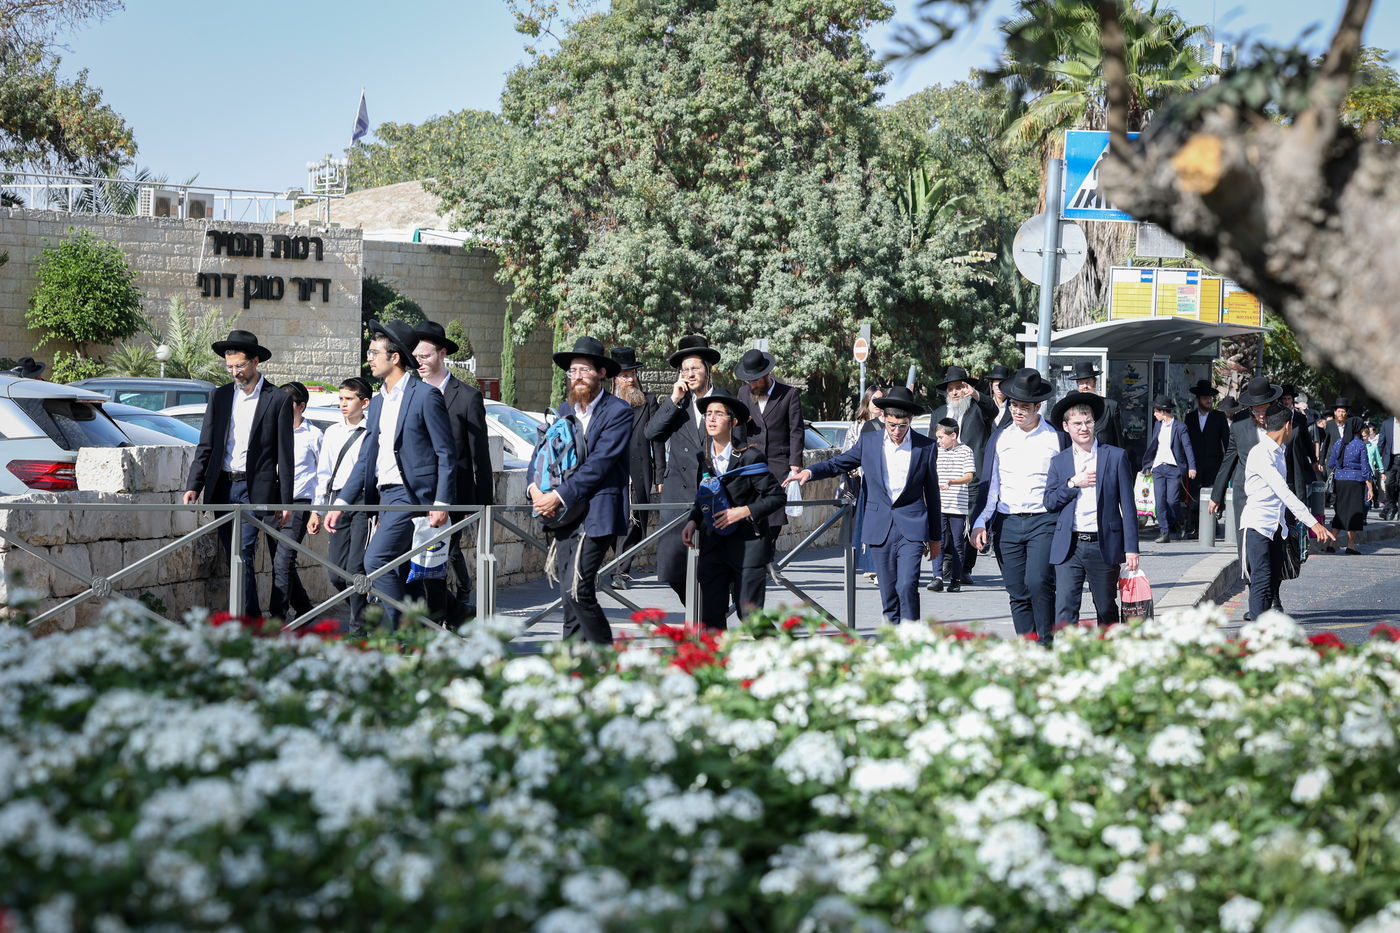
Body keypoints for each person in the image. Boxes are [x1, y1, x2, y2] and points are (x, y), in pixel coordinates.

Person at [326, 320, 456, 631]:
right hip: (383, 497)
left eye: (374, 353)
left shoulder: (425, 396)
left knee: (375, 561)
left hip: (411, 496)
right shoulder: (379, 402)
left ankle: (399, 634)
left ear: (394, 357)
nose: (369, 358)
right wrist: (341, 502)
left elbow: (445, 453)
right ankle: (431, 628)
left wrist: (441, 501)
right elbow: (365, 458)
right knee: (400, 572)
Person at [788, 387, 940, 625]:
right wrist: (810, 471)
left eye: (902, 426)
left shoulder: (926, 446)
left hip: (911, 526)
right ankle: (892, 631)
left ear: (910, 420)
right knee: (888, 588)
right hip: (879, 524)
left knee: (907, 584)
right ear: (883, 418)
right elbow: (839, 463)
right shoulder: (869, 441)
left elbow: (932, 493)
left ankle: (911, 633)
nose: (897, 431)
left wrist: (935, 538)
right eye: (892, 425)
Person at [527, 336, 634, 644]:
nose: (577, 376)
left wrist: (557, 496)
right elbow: (542, 452)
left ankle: (604, 656)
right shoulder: (565, 409)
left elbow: (600, 464)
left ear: (601, 373)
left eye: (585, 370)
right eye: (573, 371)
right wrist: (534, 488)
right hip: (565, 514)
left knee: (579, 590)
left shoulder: (618, 411)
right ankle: (573, 663)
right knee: (567, 594)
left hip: (598, 511)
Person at [183, 329, 293, 619]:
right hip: (222, 486)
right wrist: (194, 484)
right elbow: (206, 444)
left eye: (240, 366)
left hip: (254, 490)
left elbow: (285, 455)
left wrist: (285, 501)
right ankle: (251, 619)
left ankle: (246, 624)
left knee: (242, 553)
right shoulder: (219, 396)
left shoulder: (278, 399)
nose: (235, 372)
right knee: (234, 557)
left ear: (256, 361)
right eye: (229, 367)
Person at [971, 368, 1067, 645]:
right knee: (1017, 590)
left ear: (1038, 406)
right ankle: (1026, 646)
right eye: (1014, 405)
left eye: (1024, 406)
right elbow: (991, 485)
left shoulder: (1055, 438)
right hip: (1008, 522)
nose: (1017, 411)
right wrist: (979, 522)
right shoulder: (1001, 438)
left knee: (1038, 582)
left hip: (1044, 521)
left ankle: (1046, 644)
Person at [412, 319, 495, 625]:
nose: (419, 362)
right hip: (414, 496)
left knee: (438, 561)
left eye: (425, 356)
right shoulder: (411, 393)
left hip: (455, 497)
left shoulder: (467, 396)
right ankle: (453, 615)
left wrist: (484, 506)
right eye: (415, 357)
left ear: (442, 353)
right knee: (414, 565)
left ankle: (436, 623)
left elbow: (479, 455)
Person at [680, 391, 786, 630]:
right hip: (714, 545)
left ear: (733, 422)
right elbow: (704, 496)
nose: (711, 418)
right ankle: (717, 656)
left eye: (718, 414)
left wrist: (743, 511)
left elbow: (777, 497)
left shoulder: (750, 458)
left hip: (748, 546)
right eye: (708, 414)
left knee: (749, 616)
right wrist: (693, 520)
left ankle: (776, 652)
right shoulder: (703, 458)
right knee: (710, 617)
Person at [1043, 391, 1140, 628]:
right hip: (1070, 546)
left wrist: (1131, 548)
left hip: (1102, 544)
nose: (1084, 428)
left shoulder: (1115, 456)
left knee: (1106, 607)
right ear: (1066, 427)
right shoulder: (1059, 461)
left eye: (1088, 422)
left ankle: (1108, 647)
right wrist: (1072, 483)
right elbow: (1050, 502)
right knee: (1065, 608)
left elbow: (1128, 506)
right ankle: (1066, 651)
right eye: (1077, 423)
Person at [1240, 402, 1336, 620]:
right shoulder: (1261, 453)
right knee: (1261, 580)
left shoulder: (1279, 452)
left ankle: (1264, 626)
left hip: (1277, 527)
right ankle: (1257, 629)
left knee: (1272, 579)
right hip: (1258, 525)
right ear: (1287, 425)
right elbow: (1283, 491)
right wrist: (1313, 523)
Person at [646, 335, 723, 603]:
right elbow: (652, 433)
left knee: (713, 569)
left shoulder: (724, 400)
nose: (690, 374)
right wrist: (674, 399)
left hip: (712, 496)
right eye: (685, 369)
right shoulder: (678, 405)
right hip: (678, 496)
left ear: (708, 370)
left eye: (695, 368)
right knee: (674, 568)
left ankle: (707, 617)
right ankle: (697, 610)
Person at [734, 347, 805, 612]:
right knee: (753, 510)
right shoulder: (743, 394)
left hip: (778, 461)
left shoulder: (789, 394)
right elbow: (738, 427)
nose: (752, 385)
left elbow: (796, 430)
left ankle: (768, 553)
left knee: (774, 513)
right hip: (751, 461)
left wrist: (795, 463)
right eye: (748, 381)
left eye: (755, 380)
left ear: (766, 375)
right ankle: (759, 558)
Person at [307, 377, 372, 632]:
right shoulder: (332, 433)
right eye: (341, 399)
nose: (343, 404)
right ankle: (364, 611)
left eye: (349, 399)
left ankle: (358, 627)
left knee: (356, 568)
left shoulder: (372, 432)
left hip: (364, 502)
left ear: (364, 403)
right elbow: (323, 474)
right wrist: (317, 510)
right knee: (336, 573)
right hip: (337, 499)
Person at [608, 346, 666, 590]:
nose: (631, 379)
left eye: (633, 374)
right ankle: (615, 565)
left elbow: (657, 440)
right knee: (612, 521)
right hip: (611, 473)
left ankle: (621, 572)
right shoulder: (605, 403)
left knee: (635, 523)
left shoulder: (648, 401)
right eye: (625, 375)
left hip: (639, 471)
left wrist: (660, 474)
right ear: (615, 378)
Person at [930, 365, 991, 585]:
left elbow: (993, 409)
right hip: (944, 479)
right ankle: (948, 562)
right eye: (951, 389)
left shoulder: (977, 410)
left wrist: (975, 395)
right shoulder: (939, 414)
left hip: (971, 477)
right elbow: (931, 445)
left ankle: (965, 567)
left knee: (969, 523)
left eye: (959, 387)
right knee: (944, 524)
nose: (955, 392)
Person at [268, 382, 322, 623]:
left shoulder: (314, 435)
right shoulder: (271, 432)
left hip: (299, 504)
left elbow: (323, 475)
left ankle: (277, 618)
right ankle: (305, 609)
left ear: (301, 406)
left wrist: (317, 511)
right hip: (272, 504)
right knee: (281, 562)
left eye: (286, 404)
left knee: (283, 561)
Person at [842, 384, 886, 582]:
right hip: (861, 483)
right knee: (864, 527)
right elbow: (848, 452)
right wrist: (851, 469)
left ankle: (877, 567)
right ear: (866, 402)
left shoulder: (888, 424)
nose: (877, 404)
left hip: (880, 484)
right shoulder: (858, 426)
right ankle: (869, 565)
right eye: (874, 399)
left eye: (880, 399)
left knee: (878, 526)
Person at [1141, 395, 1196, 543]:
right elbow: (1153, 446)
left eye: (1156, 411)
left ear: (1163, 411)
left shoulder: (1180, 427)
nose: (1154, 414)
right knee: (1159, 501)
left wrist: (1192, 467)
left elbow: (1187, 447)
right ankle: (1164, 532)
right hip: (1158, 468)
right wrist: (1148, 465)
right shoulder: (1157, 425)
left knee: (1172, 500)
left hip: (1174, 469)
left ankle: (1181, 522)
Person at [929, 418, 975, 593]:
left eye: (941, 437)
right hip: (938, 505)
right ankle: (937, 577)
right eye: (937, 437)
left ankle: (955, 579)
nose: (938, 441)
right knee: (938, 540)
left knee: (957, 544)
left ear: (953, 435)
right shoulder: (936, 451)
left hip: (957, 507)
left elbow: (969, 476)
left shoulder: (966, 451)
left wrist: (952, 482)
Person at [1184, 379, 1229, 538]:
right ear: (1198, 399)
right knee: (1195, 495)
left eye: (1210, 397)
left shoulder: (1219, 416)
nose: (1208, 400)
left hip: (1214, 463)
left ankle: (1212, 524)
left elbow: (1227, 441)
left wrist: (1227, 464)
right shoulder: (1189, 418)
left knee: (1213, 494)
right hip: (1195, 464)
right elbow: (1186, 442)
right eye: (1205, 398)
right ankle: (1196, 526)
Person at [1327, 415, 1372, 554]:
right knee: (1354, 513)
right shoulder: (1360, 445)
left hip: (1340, 481)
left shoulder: (1339, 443)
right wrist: (1370, 488)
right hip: (1355, 482)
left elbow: (1331, 463)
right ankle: (1351, 545)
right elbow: (1365, 468)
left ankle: (1331, 543)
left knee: (1340, 512)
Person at [1064, 360, 1124, 448]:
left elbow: (1118, 440)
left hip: (1104, 455)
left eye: (1088, 382)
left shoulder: (1110, 406)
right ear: (1077, 385)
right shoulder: (1071, 407)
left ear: (1095, 383)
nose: (1085, 386)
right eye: (1081, 383)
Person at [1378, 412, 1399, 521]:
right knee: (1389, 484)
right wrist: (1377, 460)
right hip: (1390, 460)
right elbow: (1381, 443)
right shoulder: (1387, 424)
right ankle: (1392, 506)